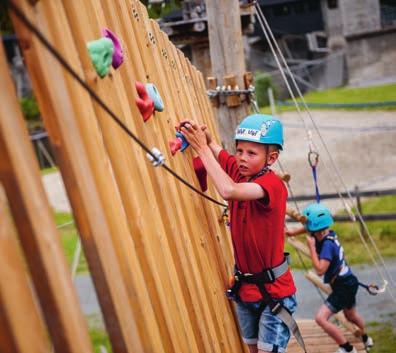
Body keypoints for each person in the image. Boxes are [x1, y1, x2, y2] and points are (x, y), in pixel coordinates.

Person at [179, 114, 299, 353]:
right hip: (246, 290)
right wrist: (210, 142)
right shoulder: (241, 170)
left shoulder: (272, 185)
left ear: (271, 158)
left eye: (251, 153)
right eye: (239, 151)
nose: (242, 158)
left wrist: (201, 148)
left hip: (274, 293)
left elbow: (228, 190)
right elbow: (221, 155)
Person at [285, 203, 374, 353]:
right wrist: (293, 233)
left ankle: (347, 348)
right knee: (351, 315)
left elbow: (320, 270)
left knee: (321, 318)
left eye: (310, 227)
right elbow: (308, 228)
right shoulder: (326, 232)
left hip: (343, 286)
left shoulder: (327, 246)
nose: (307, 231)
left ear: (316, 229)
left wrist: (312, 248)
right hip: (349, 280)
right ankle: (366, 338)